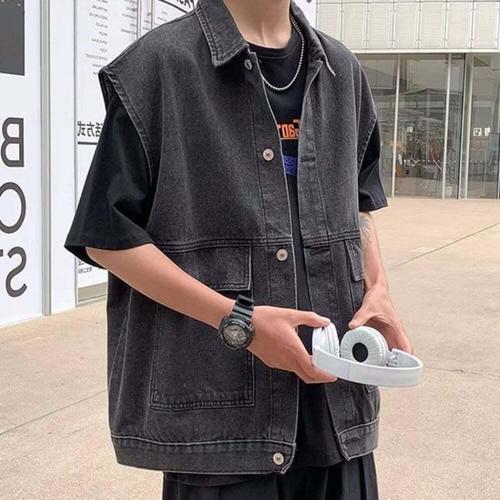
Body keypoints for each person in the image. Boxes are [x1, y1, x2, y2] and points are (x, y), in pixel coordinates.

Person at [64, 0, 413, 498]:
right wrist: (240, 323)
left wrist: (378, 288)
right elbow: (108, 237)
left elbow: (358, 203)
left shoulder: (342, 72)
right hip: (221, 430)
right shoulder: (158, 67)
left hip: (338, 417)